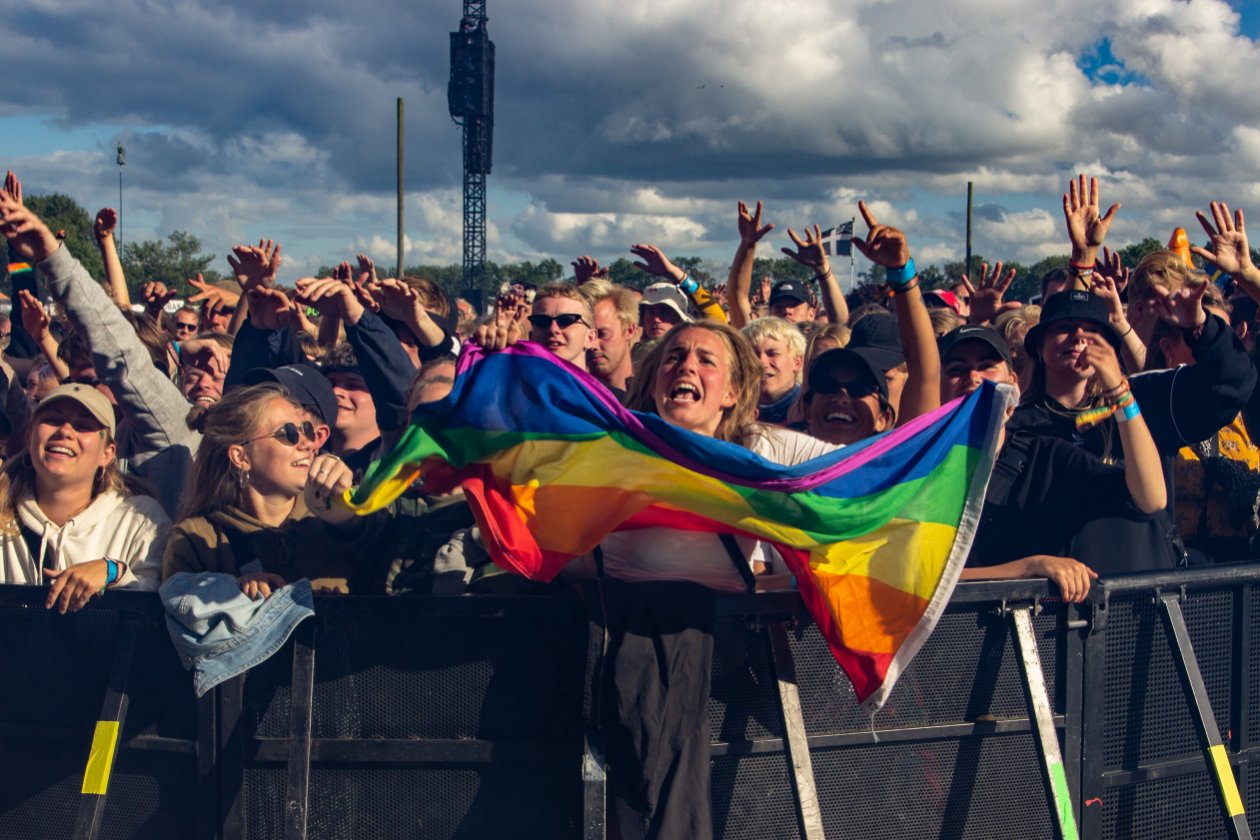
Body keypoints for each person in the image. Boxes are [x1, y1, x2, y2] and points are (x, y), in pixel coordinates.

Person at [162, 384, 406, 595]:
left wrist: (349, 511)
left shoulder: (330, 519)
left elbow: (399, 555)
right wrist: (230, 593)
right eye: (288, 433)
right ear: (241, 456)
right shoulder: (195, 538)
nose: (307, 444)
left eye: (307, 430)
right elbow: (181, 618)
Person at [0, 384, 168, 611]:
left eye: (83, 426)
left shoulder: (141, 521)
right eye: (52, 420)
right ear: (29, 438)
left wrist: (113, 572)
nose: (65, 431)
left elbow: (158, 611)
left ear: (107, 454)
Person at [741, 317, 804, 425]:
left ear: (797, 362)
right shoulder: (731, 417)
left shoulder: (813, 413)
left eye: (772, 354)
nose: (762, 363)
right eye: (753, 355)